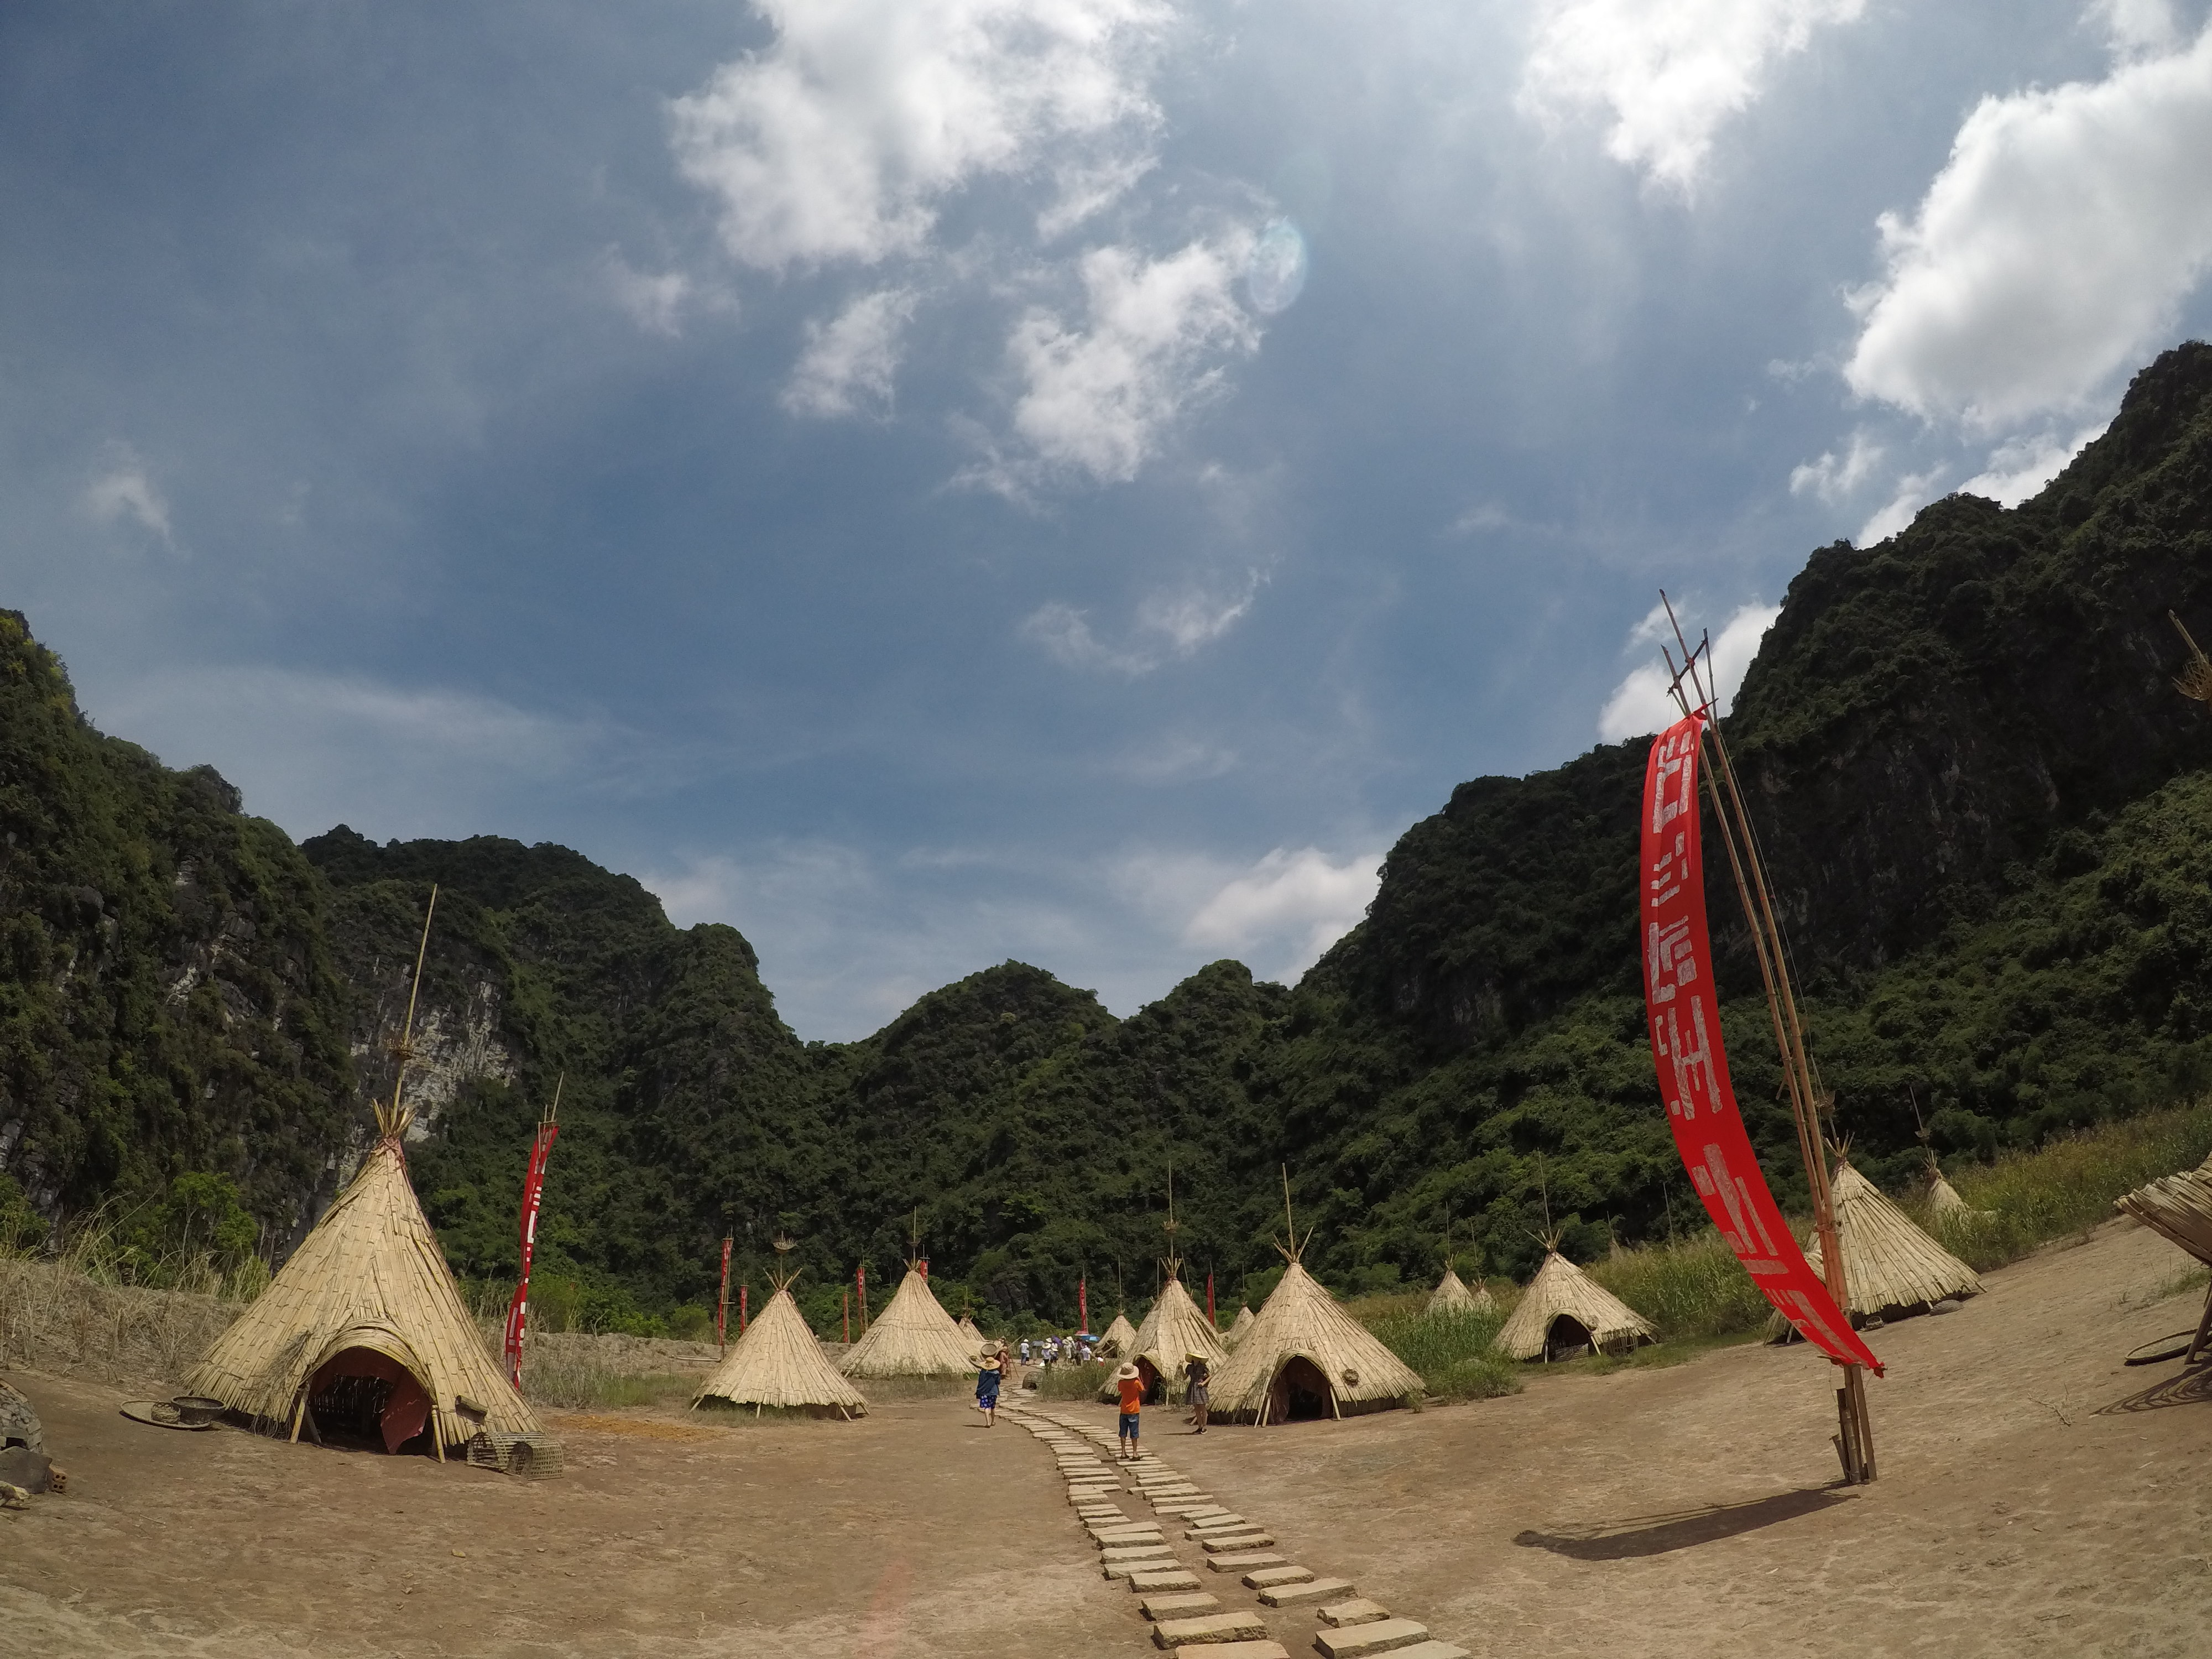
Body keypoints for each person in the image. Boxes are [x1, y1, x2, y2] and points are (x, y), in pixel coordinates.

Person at [1114, 1361, 1142, 1460]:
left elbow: (1120, 1390)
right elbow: (1142, 1389)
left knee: (1123, 1432)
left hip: (1124, 1410)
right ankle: (1135, 1453)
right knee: (1134, 1433)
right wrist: (1138, 1378)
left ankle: (1123, 1452)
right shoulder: (1136, 1382)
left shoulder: (1121, 1383)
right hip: (1134, 1410)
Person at [1182, 1353, 1210, 1434]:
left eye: (1197, 1357)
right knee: (1197, 1409)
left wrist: (1204, 1383)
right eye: (1195, 1357)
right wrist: (1181, 1369)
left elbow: (1210, 1376)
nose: (1196, 1358)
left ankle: (1204, 1427)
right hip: (1193, 1387)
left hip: (1200, 1388)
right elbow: (1185, 1377)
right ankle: (1200, 1427)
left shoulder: (1203, 1367)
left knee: (1203, 1408)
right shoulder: (1189, 1367)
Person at [974, 1349, 1001, 1426]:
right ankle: (993, 1421)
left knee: (986, 1407)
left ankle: (988, 1423)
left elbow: (980, 1381)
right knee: (993, 1407)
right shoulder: (997, 1373)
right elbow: (998, 1382)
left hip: (984, 1392)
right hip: (993, 1392)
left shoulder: (983, 1373)